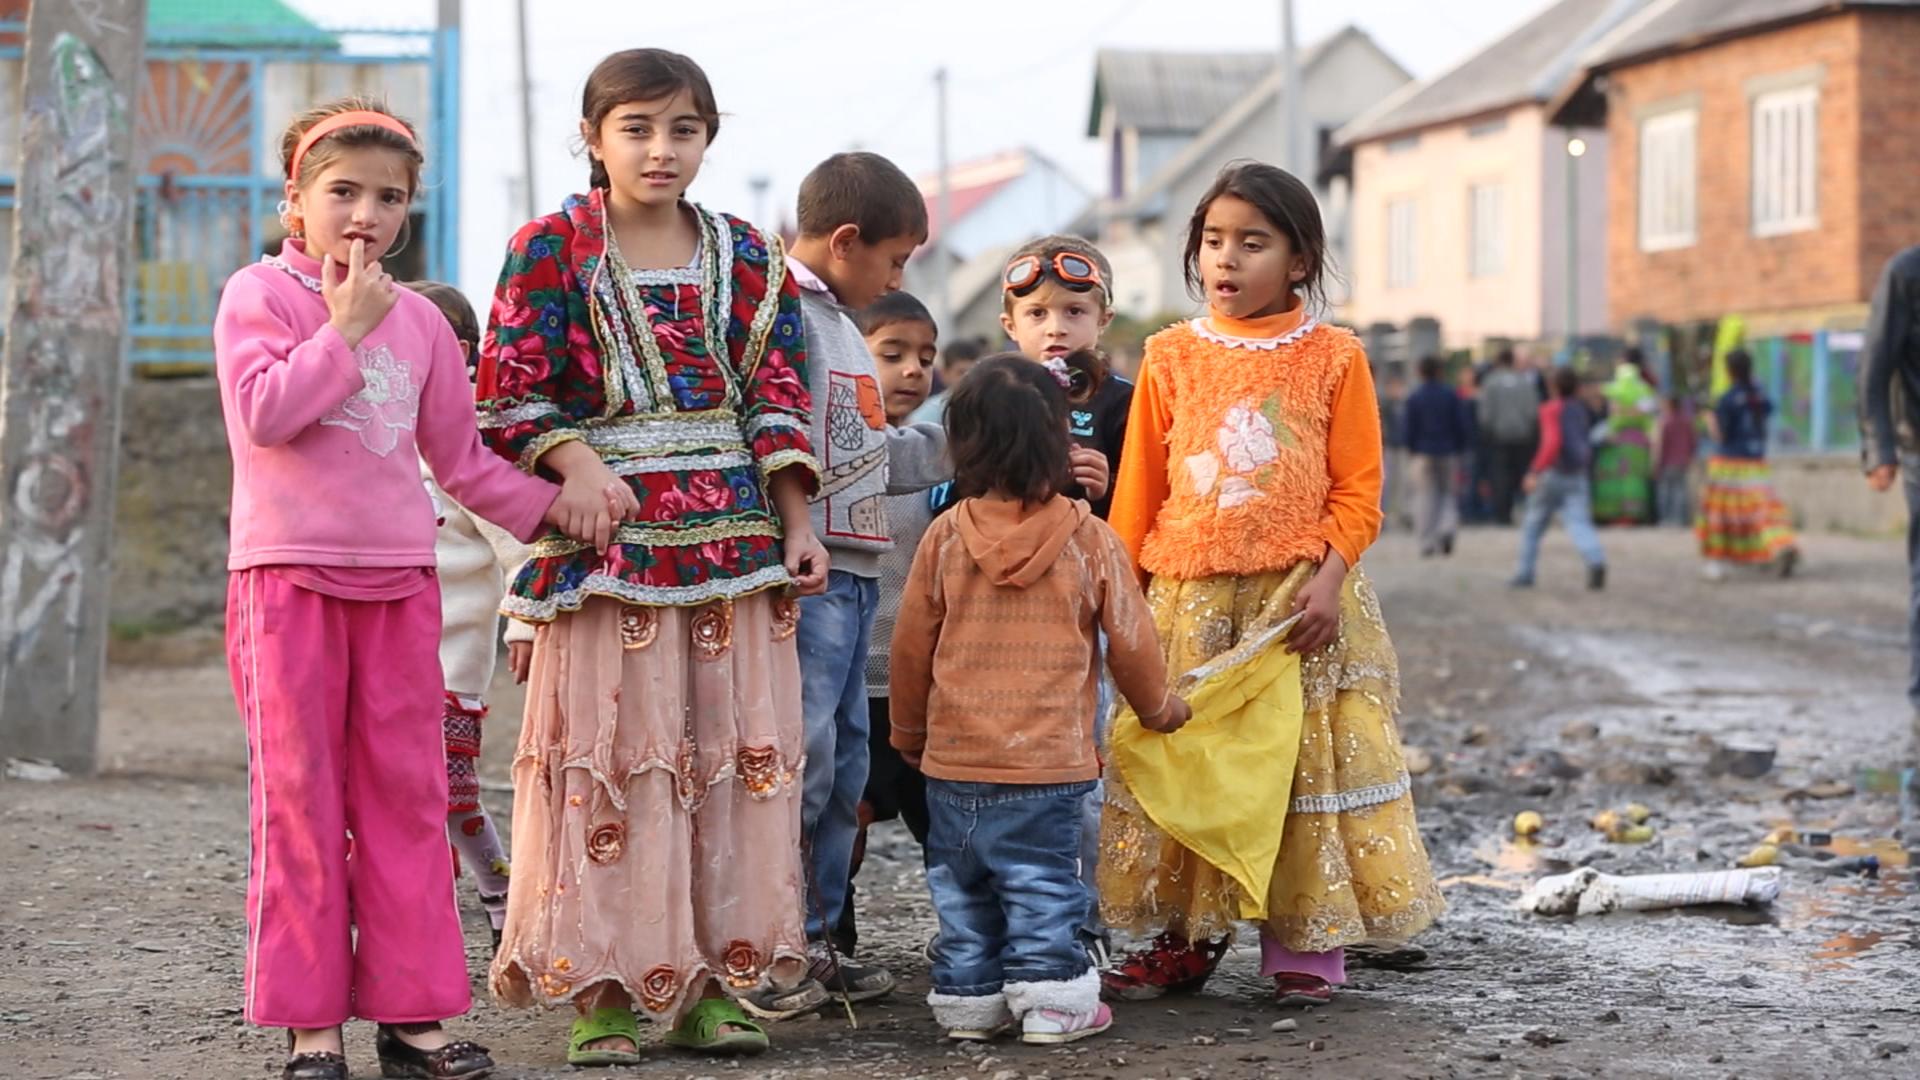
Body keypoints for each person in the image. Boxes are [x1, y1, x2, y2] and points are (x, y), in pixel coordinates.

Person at [218, 96, 589, 1080]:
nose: (364, 215)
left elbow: (461, 463)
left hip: (398, 587)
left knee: (408, 798)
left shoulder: (422, 323)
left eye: (389, 197)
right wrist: (341, 330)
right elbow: (264, 415)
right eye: (342, 192)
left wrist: (559, 510)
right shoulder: (257, 299)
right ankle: (310, 1033)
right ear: (295, 201)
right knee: (301, 799)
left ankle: (412, 1022)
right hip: (286, 584)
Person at [478, 48, 830, 1061]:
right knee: (617, 769)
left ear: (708, 137)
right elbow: (510, 390)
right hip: (606, 550)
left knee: (727, 766)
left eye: (682, 129)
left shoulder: (750, 254)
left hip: (737, 549)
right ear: (592, 138)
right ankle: (603, 992)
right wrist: (581, 471)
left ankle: (717, 980)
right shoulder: (547, 251)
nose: (661, 149)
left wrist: (798, 521)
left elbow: (776, 392)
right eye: (636, 128)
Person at [1099, 162, 1442, 1008]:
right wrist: (1117, 605)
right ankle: (1184, 940)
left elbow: (1359, 491)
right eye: (1214, 241)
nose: (1227, 259)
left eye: (1252, 243)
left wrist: (1326, 584)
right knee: (1193, 766)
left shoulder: (1335, 357)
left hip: (1298, 609)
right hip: (1190, 606)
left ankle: (1302, 944)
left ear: (1298, 260)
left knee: (1296, 771)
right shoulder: (1169, 356)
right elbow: (1137, 494)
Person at [890, 353, 1186, 1045]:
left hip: (953, 764)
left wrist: (908, 735)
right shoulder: (1089, 538)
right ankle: (1054, 1001)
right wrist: (1160, 709)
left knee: (963, 891)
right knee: (1047, 890)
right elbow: (1133, 642)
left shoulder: (943, 538)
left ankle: (969, 1001)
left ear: (962, 445)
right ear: (1063, 442)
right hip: (1051, 768)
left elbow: (911, 648)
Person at [779, 151, 949, 1010]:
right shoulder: (781, 315)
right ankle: (776, 947)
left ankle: (816, 938)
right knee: (802, 762)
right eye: (896, 259)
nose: (896, 277)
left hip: (853, 572)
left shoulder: (840, 320)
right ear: (848, 241)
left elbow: (861, 449)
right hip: (805, 576)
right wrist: (957, 448)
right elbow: (836, 451)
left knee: (845, 766)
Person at [405, 279, 523, 958]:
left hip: (453, 663)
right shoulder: (380, 444)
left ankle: (499, 891)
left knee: (451, 796)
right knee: (389, 797)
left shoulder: (469, 452)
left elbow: (514, 544)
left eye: (458, 346)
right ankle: (416, 918)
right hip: (387, 657)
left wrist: (526, 623)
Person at [840, 290, 942, 956]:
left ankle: (966, 936)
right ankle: (828, 935)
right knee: (845, 815)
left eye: (926, 357)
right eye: (893, 354)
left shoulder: (940, 463)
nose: (913, 370)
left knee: (945, 823)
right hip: (852, 688)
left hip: (928, 690)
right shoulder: (840, 455)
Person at [1698, 349, 1798, 580]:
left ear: (1728, 370)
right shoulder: (1759, 396)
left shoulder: (1727, 399)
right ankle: (1780, 545)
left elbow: (1721, 436)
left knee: (1722, 515)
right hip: (1756, 464)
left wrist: (1709, 420)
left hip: (1728, 465)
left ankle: (1717, 560)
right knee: (1764, 511)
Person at [1510, 367, 1608, 591]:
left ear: (1552, 386)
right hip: (1577, 473)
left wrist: (1534, 470)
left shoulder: (1550, 409)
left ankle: (1525, 573)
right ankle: (1595, 558)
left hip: (1553, 473)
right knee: (1579, 521)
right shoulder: (1580, 409)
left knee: (1533, 525)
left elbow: (1551, 443)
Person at [1402, 354, 1471, 557]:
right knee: (1448, 494)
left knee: (1424, 496)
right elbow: (1461, 424)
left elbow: (1408, 427)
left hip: (1423, 452)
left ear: (1420, 372)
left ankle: (1426, 541)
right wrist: (1460, 446)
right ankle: (1447, 528)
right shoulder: (1451, 395)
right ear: (1441, 371)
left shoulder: (1415, 396)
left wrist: (1412, 448)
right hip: (1447, 450)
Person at [1592, 353, 1659, 525]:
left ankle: (1612, 513)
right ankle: (1634, 514)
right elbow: (1649, 418)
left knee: (1614, 479)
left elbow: (1612, 412)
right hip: (1639, 444)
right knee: (1634, 480)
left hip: (1616, 442)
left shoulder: (1615, 391)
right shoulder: (1645, 391)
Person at [1478, 347, 1542, 525]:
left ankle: (1502, 515)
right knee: (1523, 474)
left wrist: (1488, 430)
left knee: (1500, 475)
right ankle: (1528, 511)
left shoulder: (1490, 382)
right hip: (1523, 436)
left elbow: (1485, 413)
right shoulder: (1525, 382)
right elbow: (1533, 411)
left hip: (1499, 436)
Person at [909, 335, 987, 424]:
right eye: (961, 373)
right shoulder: (932, 412)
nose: (969, 378)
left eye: (975, 371)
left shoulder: (988, 407)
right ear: (944, 373)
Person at [1656, 394, 1699, 528]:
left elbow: (1660, 444)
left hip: (1667, 461)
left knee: (1666, 491)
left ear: (1669, 405)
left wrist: (1656, 463)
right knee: (1680, 491)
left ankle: (1666, 519)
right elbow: (1693, 442)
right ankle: (1679, 519)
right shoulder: (1687, 421)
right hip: (1682, 461)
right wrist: (1690, 457)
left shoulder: (1665, 422)